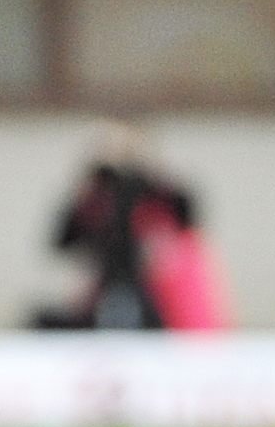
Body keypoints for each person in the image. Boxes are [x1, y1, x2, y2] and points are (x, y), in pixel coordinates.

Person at [31, 126, 229, 332]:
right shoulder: (95, 202)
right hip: (103, 292)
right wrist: (89, 188)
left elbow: (188, 215)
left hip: (153, 295)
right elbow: (61, 242)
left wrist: (151, 173)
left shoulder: (156, 197)